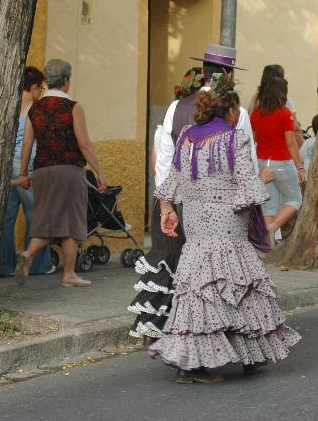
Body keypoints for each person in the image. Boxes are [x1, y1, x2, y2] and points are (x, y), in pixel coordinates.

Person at [148, 74, 301, 383]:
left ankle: (241, 354)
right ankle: (194, 365)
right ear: (230, 111)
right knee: (238, 286)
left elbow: (171, 181)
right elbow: (248, 188)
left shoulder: (187, 136)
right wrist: (264, 184)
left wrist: (167, 211)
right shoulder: (234, 138)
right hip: (227, 225)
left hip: (195, 224)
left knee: (199, 290)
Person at [129, 45, 272, 344]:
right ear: (229, 75)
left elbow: (165, 160)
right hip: (220, 209)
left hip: (177, 197)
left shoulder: (175, 106)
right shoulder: (237, 113)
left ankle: (156, 330)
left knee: (170, 258)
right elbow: (245, 163)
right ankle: (218, 338)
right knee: (219, 272)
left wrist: (165, 201)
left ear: (203, 71)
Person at [15, 59, 107, 288]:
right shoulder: (73, 107)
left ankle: (28, 254)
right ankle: (68, 274)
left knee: (46, 218)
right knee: (72, 220)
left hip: (43, 170)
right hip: (69, 170)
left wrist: (24, 172)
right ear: (66, 81)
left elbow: (27, 144)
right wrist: (99, 172)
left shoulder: (35, 109)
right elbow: (84, 144)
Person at [0, 66, 54, 277]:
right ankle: (39, 265)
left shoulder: (6, 105)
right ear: (34, 86)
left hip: (6, 164)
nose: (42, 92)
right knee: (36, 215)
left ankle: (3, 265)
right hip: (28, 164)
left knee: (6, 218)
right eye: (41, 87)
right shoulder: (37, 109)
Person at [251, 77, 306, 236]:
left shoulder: (255, 114)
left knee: (269, 206)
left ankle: (268, 244)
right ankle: (273, 227)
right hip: (282, 162)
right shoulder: (285, 114)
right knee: (295, 199)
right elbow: (291, 142)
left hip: (263, 163)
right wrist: (300, 167)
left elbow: (255, 138)